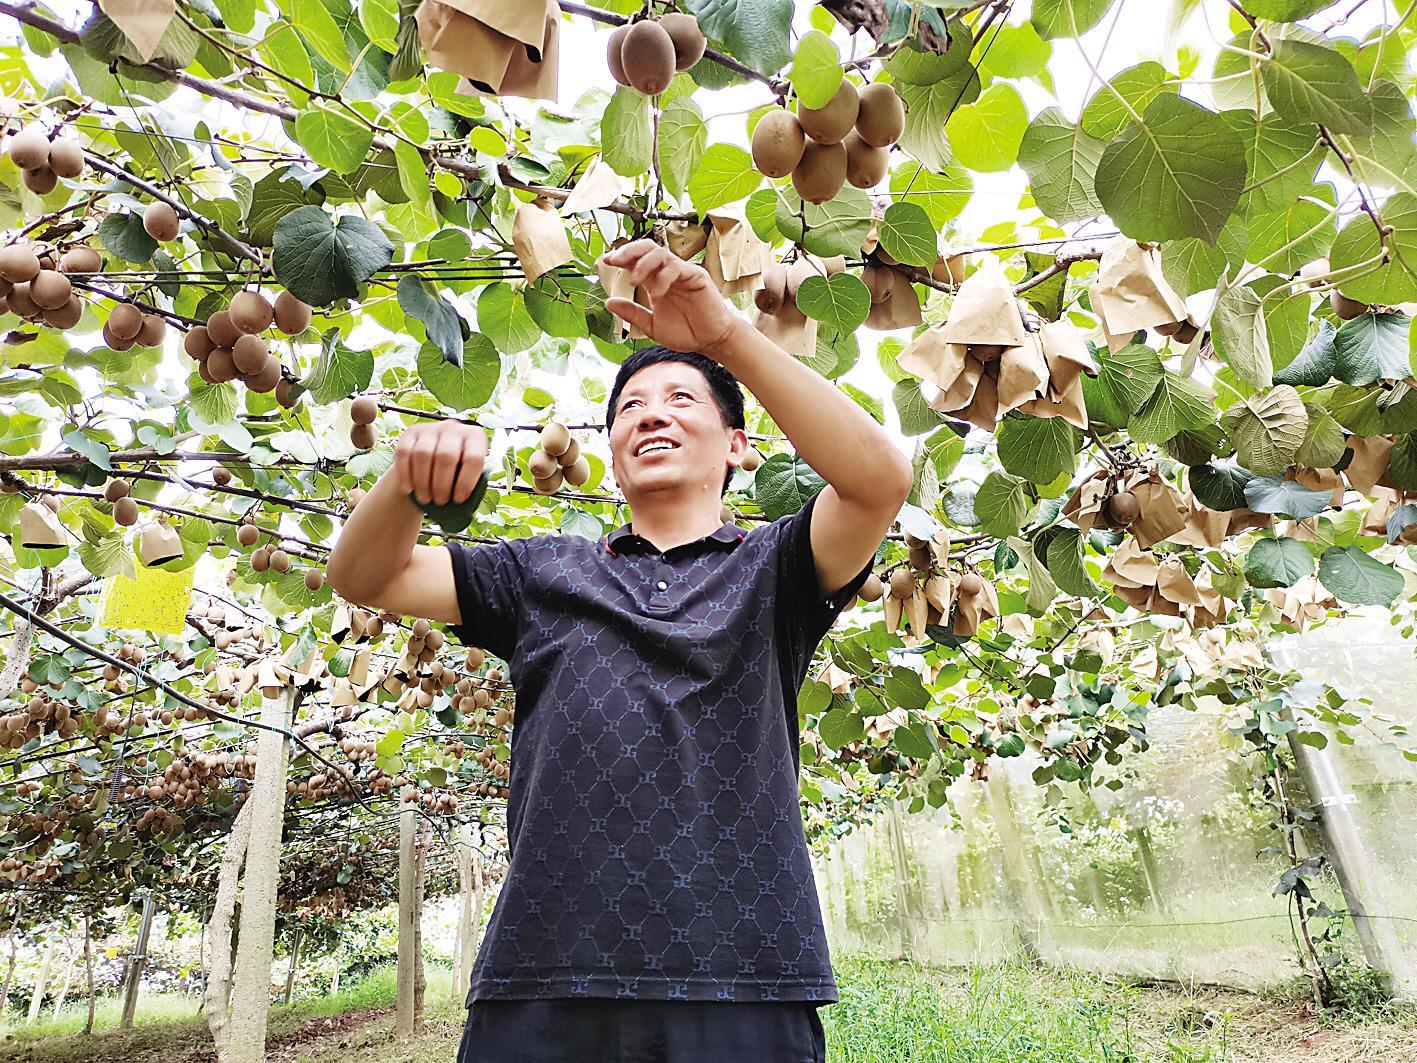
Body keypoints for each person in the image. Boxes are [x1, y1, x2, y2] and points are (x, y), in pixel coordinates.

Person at [327, 239, 913, 1062]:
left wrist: (726, 340)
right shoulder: (541, 569)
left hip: (739, 973)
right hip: (543, 974)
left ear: (739, 446)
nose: (652, 413)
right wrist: (403, 485)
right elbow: (365, 576)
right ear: (609, 452)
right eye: (630, 407)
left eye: (682, 398)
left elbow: (880, 478)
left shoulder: (775, 569)